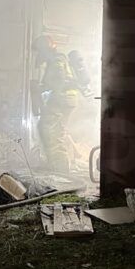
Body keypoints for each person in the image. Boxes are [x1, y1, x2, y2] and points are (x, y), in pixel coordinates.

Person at [32, 35, 79, 173]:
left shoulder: (57, 60)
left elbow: (59, 79)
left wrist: (41, 87)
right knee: (51, 129)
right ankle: (56, 165)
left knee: (51, 131)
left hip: (62, 99)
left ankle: (61, 170)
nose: (38, 55)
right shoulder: (55, 59)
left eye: (39, 51)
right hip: (64, 99)